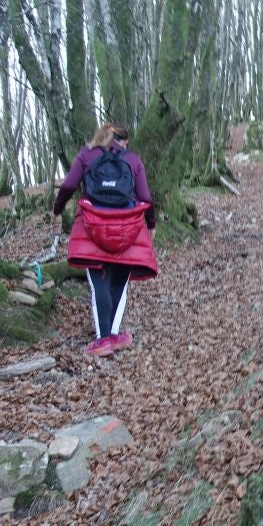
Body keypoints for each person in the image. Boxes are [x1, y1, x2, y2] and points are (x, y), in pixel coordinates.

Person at [53, 124, 159, 357]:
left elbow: (70, 185)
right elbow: (145, 197)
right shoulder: (133, 160)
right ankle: (112, 335)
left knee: (98, 281)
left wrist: (57, 209)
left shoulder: (86, 154)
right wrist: (151, 224)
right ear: (124, 141)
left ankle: (103, 340)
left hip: (92, 227)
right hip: (127, 228)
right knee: (120, 279)